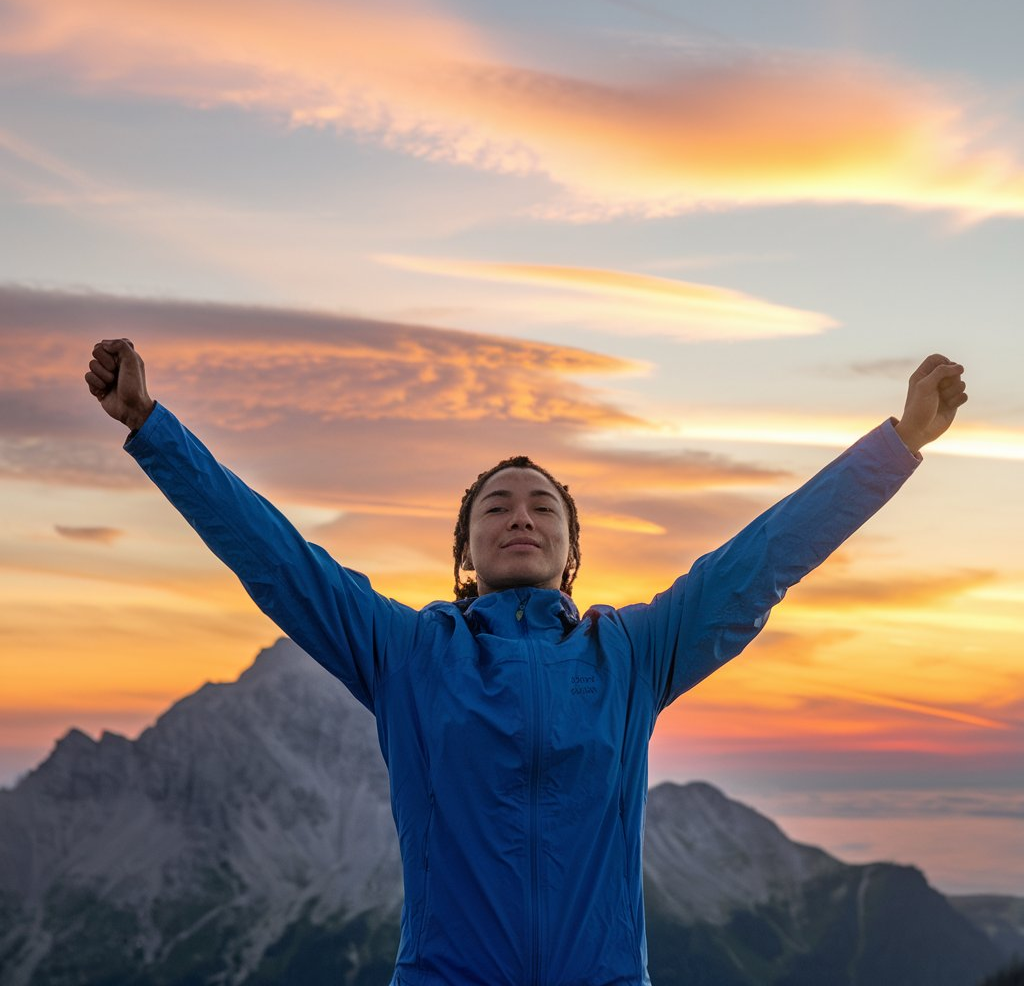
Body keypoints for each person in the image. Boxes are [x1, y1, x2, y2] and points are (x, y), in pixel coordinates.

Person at [86, 340, 966, 986]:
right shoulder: (407, 654)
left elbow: (760, 560)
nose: (521, 515)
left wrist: (897, 445)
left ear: (570, 552)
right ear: (465, 553)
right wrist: (150, 427)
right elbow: (276, 558)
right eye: (496, 507)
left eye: (543, 507)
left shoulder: (632, 653)